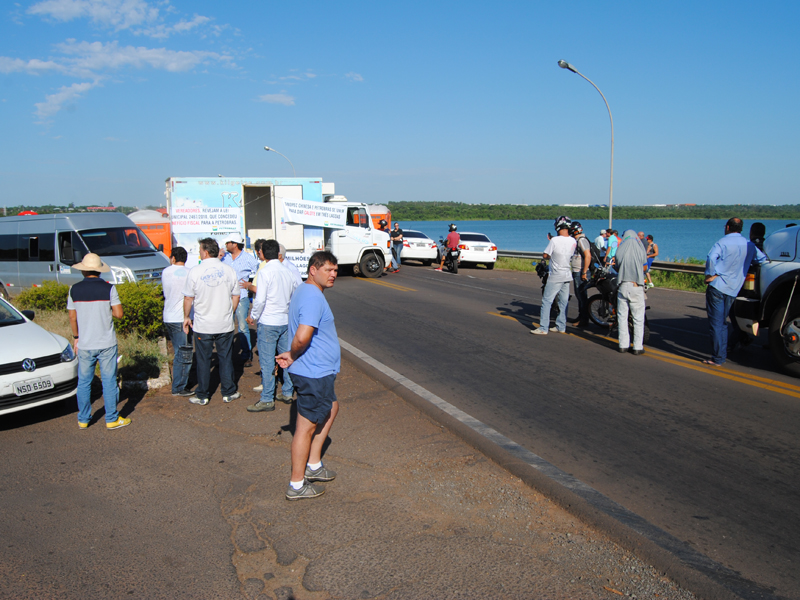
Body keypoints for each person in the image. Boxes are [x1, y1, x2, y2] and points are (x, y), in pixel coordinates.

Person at [277, 251, 341, 500]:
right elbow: (303, 336)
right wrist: (292, 354)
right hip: (313, 373)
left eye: (335, 270)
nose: (333, 274)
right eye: (328, 270)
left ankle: (314, 465)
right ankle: (296, 484)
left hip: (317, 371)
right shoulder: (313, 296)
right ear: (313, 270)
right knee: (305, 428)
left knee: (332, 407)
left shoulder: (305, 290)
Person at [67, 253, 129, 430]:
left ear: (84, 271)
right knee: (109, 381)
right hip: (106, 343)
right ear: (99, 271)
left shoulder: (74, 289)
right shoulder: (109, 289)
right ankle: (111, 419)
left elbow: (72, 317)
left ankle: (83, 419)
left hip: (85, 343)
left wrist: (76, 337)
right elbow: (119, 314)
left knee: (84, 382)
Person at [183, 238, 241, 405]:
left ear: (205, 252)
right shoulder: (229, 270)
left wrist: (186, 317)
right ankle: (228, 391)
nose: (200, 252)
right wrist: (231, 311)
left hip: (203, 324)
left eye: (200, 250)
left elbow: (188, 297)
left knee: (203, 360)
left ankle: (203, 394)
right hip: (224, 322)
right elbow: (236, 295)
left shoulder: (195, 271)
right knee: (226, 357)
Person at [703, 218, 768, 366]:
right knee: (724, 322)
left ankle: (718, 357)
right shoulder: (749, 245)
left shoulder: (723, 242)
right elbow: (762, 259)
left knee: (717, 323)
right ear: (741, 228)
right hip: (734, 288)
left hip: (718, 286)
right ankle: (721, 355)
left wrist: (709, 275)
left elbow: (711, 257)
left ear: (727, 227)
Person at [246, 240, 298, 412]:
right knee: (286, 358)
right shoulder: (287, 271)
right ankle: (288, 392)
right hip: (285, 320)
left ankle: (267, 398)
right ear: (277, 253)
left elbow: (260, 299)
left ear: (262, 252)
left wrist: (253, 316)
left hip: (268, 321)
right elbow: (295, 294)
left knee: (268, 361)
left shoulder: (265, 272)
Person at [531, 216, 576, 335]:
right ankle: (561, 326)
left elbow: (546, 255)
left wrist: (551, 243)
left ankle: (543, 328)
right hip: (567, 274)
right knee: (563, 301)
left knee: (547, 301)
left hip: (556, 274)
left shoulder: (554, 240)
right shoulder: (573, 240)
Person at [221, 233, 259, 367]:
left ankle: (246, 354)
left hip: (241, 295)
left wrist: (250, 284)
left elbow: (258, 271)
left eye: (228, 243)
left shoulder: (248, 258)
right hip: (225, 296)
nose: (226, 245)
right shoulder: (224, 257)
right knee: (226, 326)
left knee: (242, 326)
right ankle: (227, 354)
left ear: (234, 244)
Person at [162, 246, 193, 397]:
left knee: (178, 350)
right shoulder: (190, 273)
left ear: (173, 258)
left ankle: (179, 383)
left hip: (168, 316)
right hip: (183, 318)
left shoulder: (165, 272)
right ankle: (179, 387)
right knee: (184, 352)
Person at [615, 230, 648, 355]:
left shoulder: (620, 250)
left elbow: (617, 266)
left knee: (622, 317)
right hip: (636, 285)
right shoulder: (640, 250)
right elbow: (645, 267)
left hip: (623, 285)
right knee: (638, 318)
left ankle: (623, 345)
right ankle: (637, 347)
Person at [569, 221, 592, 327]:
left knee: (582, 296)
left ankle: (584, 319)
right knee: (579, 295)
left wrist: (584, 272)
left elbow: (588, 256)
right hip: (577, 271)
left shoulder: (582, 240)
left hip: (581, 272)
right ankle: (581, 315)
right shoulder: (578, 240)